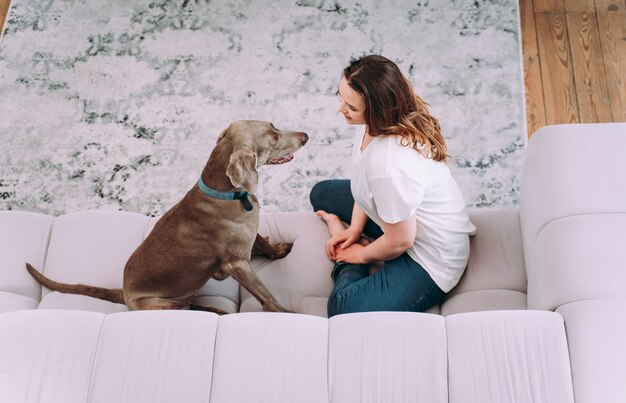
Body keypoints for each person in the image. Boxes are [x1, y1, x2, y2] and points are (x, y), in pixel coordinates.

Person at [309, 55, 476, 317]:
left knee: (343, 308)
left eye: (350, 107)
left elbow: (401, 241)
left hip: (428, 257)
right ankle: (362, 238)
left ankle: (355, 254)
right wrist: (354, 228)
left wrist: (358, 255)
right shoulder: (378, 123)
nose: (340, 109)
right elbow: (366, 188)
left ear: (375, 110)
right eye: (341, 97)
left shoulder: (390, 166)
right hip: (400, 217)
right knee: (321, 194)